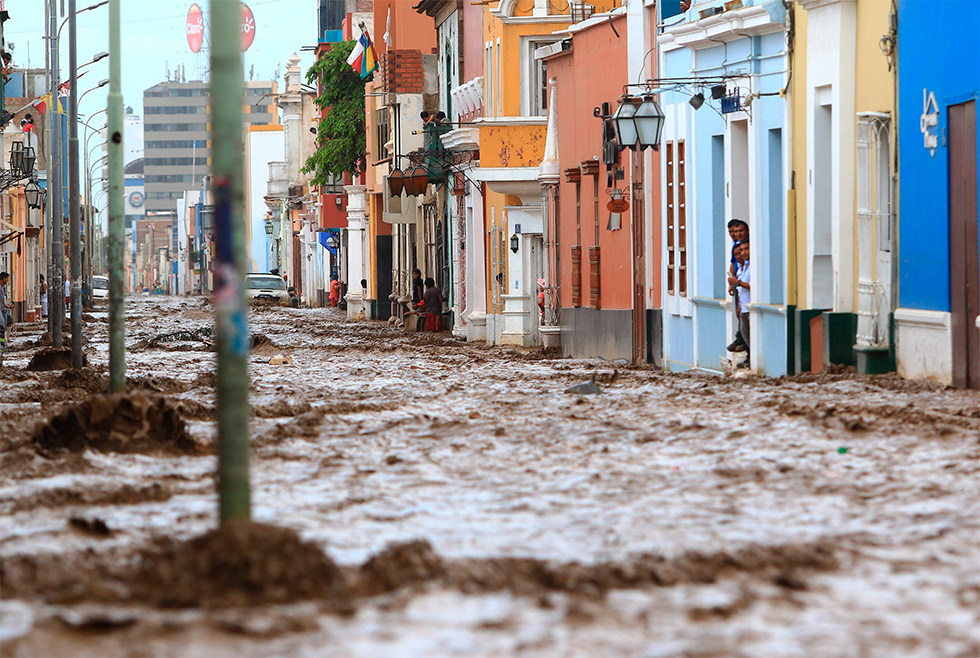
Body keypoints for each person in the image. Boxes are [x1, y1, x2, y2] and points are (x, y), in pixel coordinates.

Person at [726, 219, 749, 352]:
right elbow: (732, 263)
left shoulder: (746, 246)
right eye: (733, 232)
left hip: (742, 283)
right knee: (740, 313)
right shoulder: (736, 245)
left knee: (744, 316)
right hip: (738, 284)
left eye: (740, 231)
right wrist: (731, 281)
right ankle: (740, 338)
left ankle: (741, 340)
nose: (736, 234)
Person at [728, 240, 751, 369]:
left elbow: (751, 285)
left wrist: (737, 282)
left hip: (749, 307)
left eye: (745, 249)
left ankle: (751, 358)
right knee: (745, 334)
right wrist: (738, 305)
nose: (742, 254)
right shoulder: (743, 267)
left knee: (749, 335)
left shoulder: (752, 266)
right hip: (743, 307)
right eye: (739, 251)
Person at [0, 272, 11, 337]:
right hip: (1, 311)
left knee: (10, 320)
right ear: (3, 278)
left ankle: (6, 337)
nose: (7, 280)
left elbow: (2, 301)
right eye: (6, 278)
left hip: (3, 309)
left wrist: (8, 307)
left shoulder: (2, 288)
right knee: (2, 326)